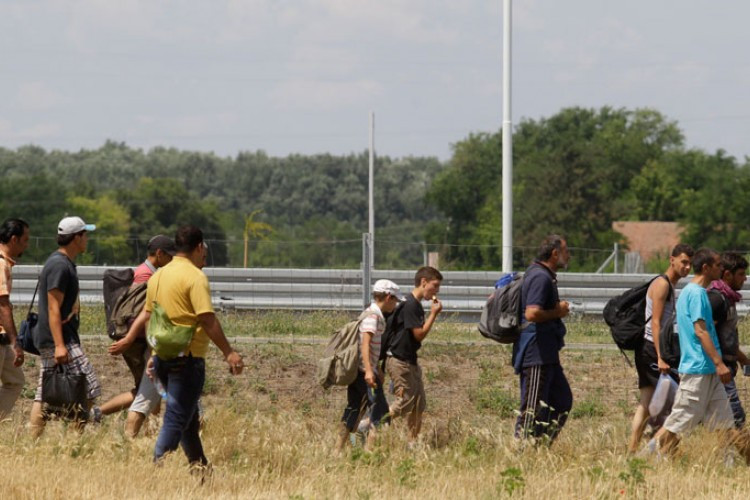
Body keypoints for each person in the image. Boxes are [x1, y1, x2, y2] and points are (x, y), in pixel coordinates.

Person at [125, 225, 243, 469]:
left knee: (187, 420)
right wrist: (229, 352)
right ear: (199, 247)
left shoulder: (158, 276)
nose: (204, 259)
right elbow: (207, 319)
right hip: (187, 359)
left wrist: (154, 352)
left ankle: (200, 470)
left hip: (163, 358)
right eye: (204, 253)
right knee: (177, 417)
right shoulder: (195, 277)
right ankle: (157, 470)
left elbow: (149, 316)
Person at [649, 248, 750, 460]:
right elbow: (700, 330)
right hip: (698, 369)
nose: (721, 269)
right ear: (706, 268)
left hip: (709, 370)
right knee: (678, 423)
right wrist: (719, 363)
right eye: (717, 265)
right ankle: (646, 460)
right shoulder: (696, 294)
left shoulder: (696, 293)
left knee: (727, 423)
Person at [29, 216, 101, 437]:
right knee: (89, 386)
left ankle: (48, 439)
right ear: (76, 237)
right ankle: (70, 437)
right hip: (57, 339)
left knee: (47, 392)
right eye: (85, 234)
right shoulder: (60, 265)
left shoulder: (63, 263)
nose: (87, 239)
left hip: (60, 337)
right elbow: (53, 309)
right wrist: (60, 345)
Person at [105, 235, 176, 436]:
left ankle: (150, 434)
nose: (172, 260)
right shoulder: (146, 276)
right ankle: (104, 416)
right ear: (160, 254)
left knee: (149, 390)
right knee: (146, 392)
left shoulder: (146, 271)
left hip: (142, 342)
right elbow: (145, 313)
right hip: (144, 343)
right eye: (169, 256)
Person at [628, 244, 693, 452]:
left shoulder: (669, 285)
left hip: (649, 349)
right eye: (684, 262)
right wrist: (660, 357)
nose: (687, 267)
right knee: (674, 404)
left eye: (690, 263)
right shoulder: (663, 285)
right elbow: (655, 322)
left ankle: (632, 450)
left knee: (646, 404)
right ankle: (661, 450)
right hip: (651, 350)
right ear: (671, 260)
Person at [513, 234, 572, 444]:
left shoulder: (544, 275)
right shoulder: (540, 277)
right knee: (532, 407)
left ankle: (539, 447)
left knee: (562, 400)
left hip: (548, 353)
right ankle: (520, 452)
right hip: (535, 353)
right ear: (555, 253)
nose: (569, 256)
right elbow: (531, 313)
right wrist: (558, 312)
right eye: (566, 251)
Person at [336, 279, 401, 452]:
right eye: (395, 300)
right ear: (388, 297)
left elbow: (369, 347)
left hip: (361, 371)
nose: (395, 304)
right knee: (381, 415)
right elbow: (365, 344)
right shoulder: (373, 317)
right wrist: (370, 371)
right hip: (366, 375)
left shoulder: (370, 313)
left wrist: (376, 367)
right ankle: (369, 454)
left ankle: (340, 450)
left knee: (354, 411)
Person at [384, 266, 443, 443]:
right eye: (435, 286)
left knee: (418, 405)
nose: (436, 291)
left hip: (410, 361)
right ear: (423, 282)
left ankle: (412, 443)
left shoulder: (414, 305)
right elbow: (419, 334)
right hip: (400, 362)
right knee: (404, 402)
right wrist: (433, 314)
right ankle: (370, 423)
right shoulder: (410, 305)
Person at [708, 252, 750, 429]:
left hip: (725, 368)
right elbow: (705, 333)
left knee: (726, 420)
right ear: (727, 275)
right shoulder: (718, 300)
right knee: (735, 417)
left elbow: (727, 337)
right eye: (740, 274)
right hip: (719, 370)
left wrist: (743, 359)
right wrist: (718, 364)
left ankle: (725, 456)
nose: (745, 278)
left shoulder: (728, 298)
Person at [0, 219, 30, 419]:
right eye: (25, 240)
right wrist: (15, 341)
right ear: (14, 239)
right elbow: (2, 305)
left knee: (15, 381)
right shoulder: (1, 264)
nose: (26, 245)